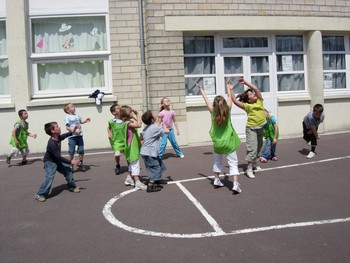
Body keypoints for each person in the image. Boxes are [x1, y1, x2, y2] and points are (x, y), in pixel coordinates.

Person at [196, 82, 242, 194]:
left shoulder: (212, 113)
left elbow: (206, 100)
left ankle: (216, 180)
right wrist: (229, 87)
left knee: (217, 162)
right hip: (229, 142)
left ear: (215, 105)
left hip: (218, 143)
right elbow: (230, 97)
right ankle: (235, 184)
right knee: (233, 163)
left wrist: (201, 89)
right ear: (224, 104)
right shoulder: (228, 111)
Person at [229, 77, 266, 179]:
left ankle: (254, 163)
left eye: (253, 93)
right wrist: (231, 89)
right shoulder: (247, 106)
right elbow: (235, 101)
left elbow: (257, 89)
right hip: (251, 129)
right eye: (251, 94)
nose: (253, 94)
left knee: (259, 146)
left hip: (260, 128)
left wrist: (246, 83)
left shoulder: (259, 101)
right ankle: (249, 169)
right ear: (248, 99)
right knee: (252, 148)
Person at [35, 122, 81, 202]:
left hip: (57, 160)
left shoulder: (58, 137)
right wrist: (71, 162)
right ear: (53, 131)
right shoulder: (51, 143)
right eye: (56, 126)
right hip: (50, 162)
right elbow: (58, 157)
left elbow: (66, 135)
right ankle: (40, 194)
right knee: (49, 177)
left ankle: (72, 186)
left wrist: (73, 131)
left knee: (68, 170)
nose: (59, 127)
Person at [140, 110, 170, 192]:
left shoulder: (146, 128)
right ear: (152, 119)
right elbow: (167, 131)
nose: (155, 117)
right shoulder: (154, 128)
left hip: (146, 152)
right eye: (153, 116)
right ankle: (151, 184)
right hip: (150, 153)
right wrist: (164, 126)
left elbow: (143, 136)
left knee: (159, 164)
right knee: (155, 167)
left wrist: (160, 127)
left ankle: (158, 179)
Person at [120, 105, 147, 190]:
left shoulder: (126, 122)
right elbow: (139, 125)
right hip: (132, 146)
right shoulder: (128, 123)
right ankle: (137, 182)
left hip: (131, 146)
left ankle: (129, 178)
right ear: (126, 114)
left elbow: (139, 123)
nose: (132, 113)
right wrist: (138, 115)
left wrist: (135, 117)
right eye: (130, 112)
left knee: (132, 163)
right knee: (135, 164)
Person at [63, 103, 91, 171]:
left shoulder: (77, 116)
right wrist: (74, 131)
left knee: (81, 150)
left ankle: (80, 163)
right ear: (67, 110)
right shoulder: (67, 117)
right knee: (71, 152)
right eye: (72, 107)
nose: (74, 107)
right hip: (72, 137)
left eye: (73, 106)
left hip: (79, 136)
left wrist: (85, 121)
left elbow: (81, 122)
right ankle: (70, 164)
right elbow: (67, 127)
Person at [107, 103, 125, 175]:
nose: (120, 109)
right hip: (116, 141)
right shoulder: (111, 121)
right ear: (114, 112)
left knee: (127, 154)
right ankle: (118, 165)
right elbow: (108, 128)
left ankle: (130, 166)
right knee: (117, 154)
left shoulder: (124, 119)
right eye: (118, 108)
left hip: (124, 140)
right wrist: (109, 133)